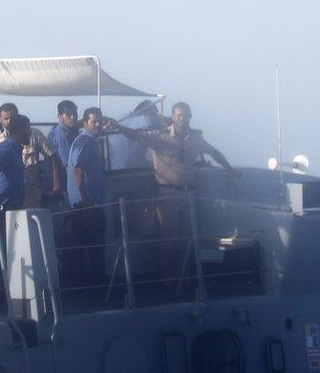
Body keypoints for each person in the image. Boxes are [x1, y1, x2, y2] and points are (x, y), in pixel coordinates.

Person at [110, 102, 240, 282]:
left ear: (190, 117)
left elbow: (214, 152)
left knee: (188, 239)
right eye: (179, 115)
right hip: (167, 194)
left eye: (185, 115)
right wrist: (117, 126)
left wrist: (229, 169)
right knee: (169, 241)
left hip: (189, 194)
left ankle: (185, 279)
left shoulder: (196, 139)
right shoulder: (159, 137)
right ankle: (168, 280)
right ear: (173, 117)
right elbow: (135, 135)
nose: (182, 118)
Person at [66, 107, 107, 289]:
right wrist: (86, 200)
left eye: (100, 121)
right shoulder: (85, 142)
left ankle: (89, 288)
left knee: (87, 249)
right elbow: (78, 170)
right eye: (93, 121)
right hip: (87, 206)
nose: (98, 124)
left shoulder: (85, 141)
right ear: (85, 124)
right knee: (94, 250)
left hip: (86, 204)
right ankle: (95, 290)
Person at [0, 103, 63, 207]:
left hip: (32, 194)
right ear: (1, 120)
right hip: (11, 197)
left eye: (12, 118)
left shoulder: (33, 134)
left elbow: (53, 156)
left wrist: (56, 185)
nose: (9, 121)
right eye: (6, 118)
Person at [0, 113, 31, 218]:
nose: (30, 132)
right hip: (3, 209)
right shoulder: (5, 149)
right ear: (20, 130)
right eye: (28, 128)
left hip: (13, 208)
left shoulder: (14, 149)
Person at [106, 99, 168, 171]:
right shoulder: (139, 120)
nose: (154, 116)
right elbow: (150, 120)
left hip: (115, 165)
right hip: (122, 167)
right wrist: (164, 119)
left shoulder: (123, 119)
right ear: (143, 113)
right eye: (153, 114)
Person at [47, 100, 79, 174]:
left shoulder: (71, 130)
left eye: (75, 114)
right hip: (61, 178)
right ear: (60, 117)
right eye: (69, 114)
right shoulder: (61, 135)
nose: (73, 117)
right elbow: (68, 166)